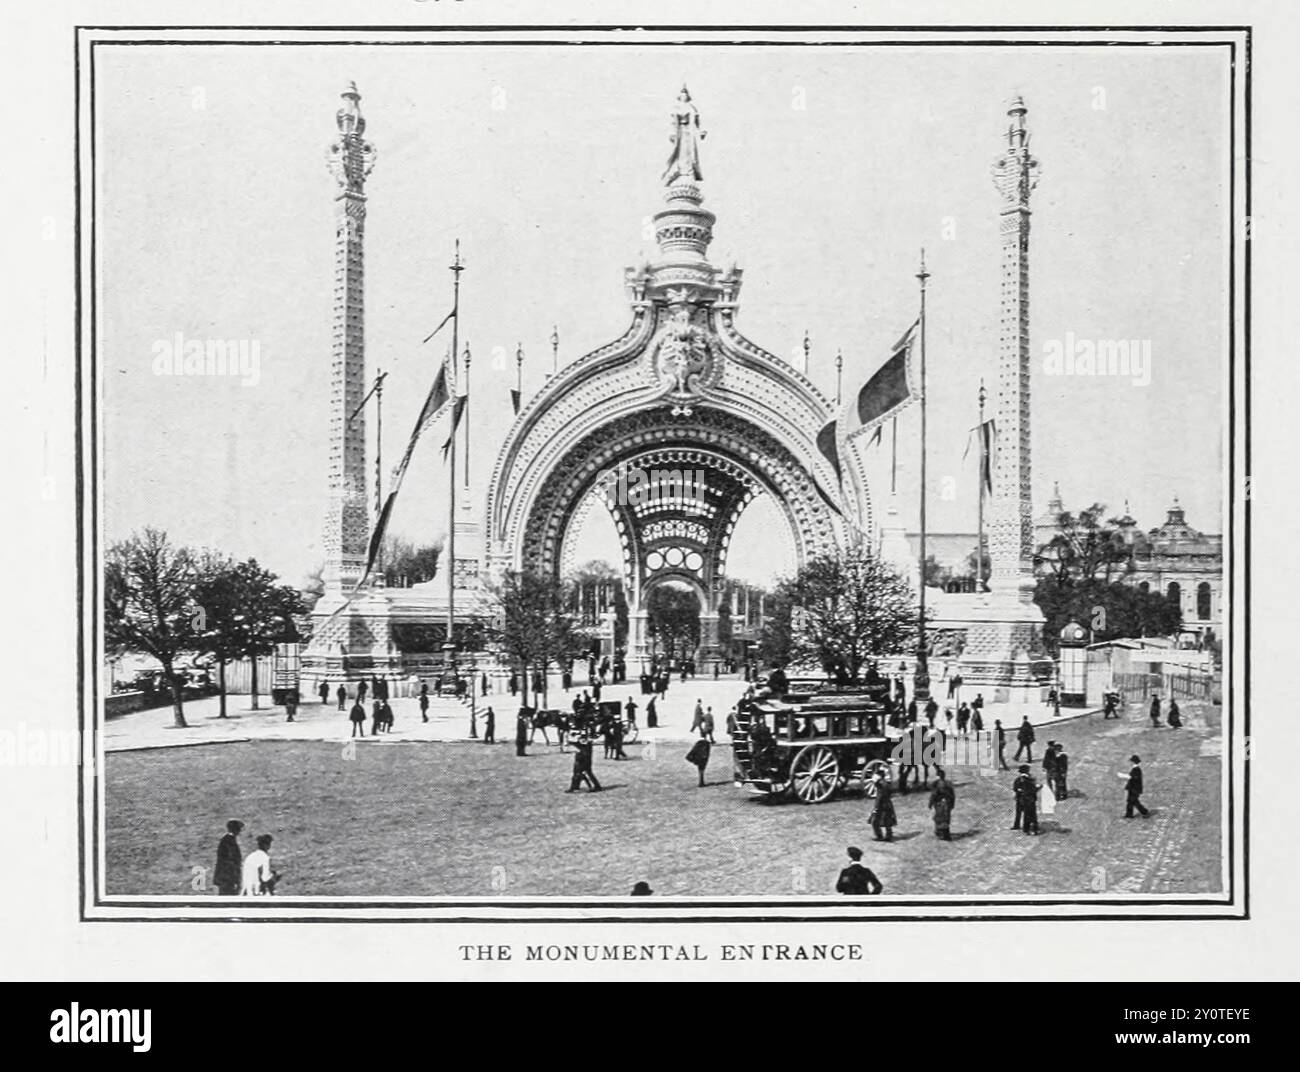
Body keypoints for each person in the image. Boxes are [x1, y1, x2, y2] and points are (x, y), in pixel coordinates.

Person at [213, 819, 243, 896]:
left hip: (224, 877)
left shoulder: (226, 840)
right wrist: (235, 878)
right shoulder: (230, 841)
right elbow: (231, 861)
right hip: (228, 878)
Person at [869, 768, 896, 841]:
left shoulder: (881, 785)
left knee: (874, 821)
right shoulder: (884, 783)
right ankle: (889, 835)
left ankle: (880, 836)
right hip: (887, 804)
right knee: (887, 820)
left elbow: (879, 797)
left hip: (882, 805)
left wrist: (875, 808)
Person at [929, 769, 956, 840]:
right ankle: (945, 832)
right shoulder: (948, 783)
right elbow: (952, 795)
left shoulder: (935, 783)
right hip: (947, 803)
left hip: (939, 804)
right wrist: (952, 803)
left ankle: (940, 832)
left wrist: (930, 803)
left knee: (939, 817)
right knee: (946, 817)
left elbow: (933, 794)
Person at [1012, 765, 1040, 834]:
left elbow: (1015, 788)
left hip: (1020, 798)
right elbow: (1034, 789)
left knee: (1019, 813)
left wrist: (1019, 791)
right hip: (1030, 799)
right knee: (1030, 814)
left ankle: (1017, 825)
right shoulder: (1031, 779)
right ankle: (1030, 828)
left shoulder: (1018, 779)